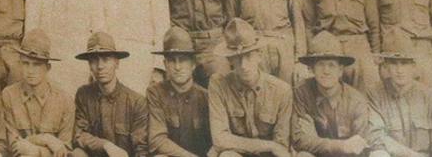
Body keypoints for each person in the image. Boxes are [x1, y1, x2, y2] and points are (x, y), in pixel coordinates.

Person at [289, 34, 385, 157]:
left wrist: (346, 148)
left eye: (331, 65)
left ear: (340, 71)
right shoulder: (302, 93)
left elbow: (359, 144)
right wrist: (341, 146)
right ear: (312, 69)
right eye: (321, 64)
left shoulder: (356, 100)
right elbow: (300, 139)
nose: (326, 71)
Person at [208, 22, 292, 157]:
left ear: (259, 56)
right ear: (230, 60)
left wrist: (273, 147)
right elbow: (220, 139)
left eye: (248, 56)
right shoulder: (219, 85)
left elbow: (281, 145)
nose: (243, 65)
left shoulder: (281, 91)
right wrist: (269, 145)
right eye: (237, 58)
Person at [70, 32, 152, 157]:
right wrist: (105, 145)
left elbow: (141, 148)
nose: (100, 66)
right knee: (77, 154)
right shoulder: (84, 95)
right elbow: (79, 135)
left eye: (106, 59)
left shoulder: (136, 102)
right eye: (94, 60)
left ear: (116, 63)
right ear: (89, 66)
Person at [369, 50, 432, 157]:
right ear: (386, 67)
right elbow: (376, 136)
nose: (399, 70)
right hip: (393, 154)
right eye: (394, 64)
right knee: (378, 154)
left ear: (413, 66)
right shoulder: (375, 94)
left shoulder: (430, 96)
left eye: (404, 64)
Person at [1, 32, 73, 157]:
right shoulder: (9, 95)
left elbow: (64, 150)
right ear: (20, 64)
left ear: (48, 68)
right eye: (26, 63)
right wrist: (45, 139)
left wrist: (37, 152)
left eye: (37, 65)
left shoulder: (64, 100)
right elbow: (13, 145)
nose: (30, 71)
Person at [147, 31, 213, 157]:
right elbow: (157, 140)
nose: (177, 67)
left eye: (182, 60)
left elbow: (216, 140)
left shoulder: (206, 96)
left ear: (193, 64)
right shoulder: (155, 93)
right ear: (165, 65)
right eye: (172, 61)